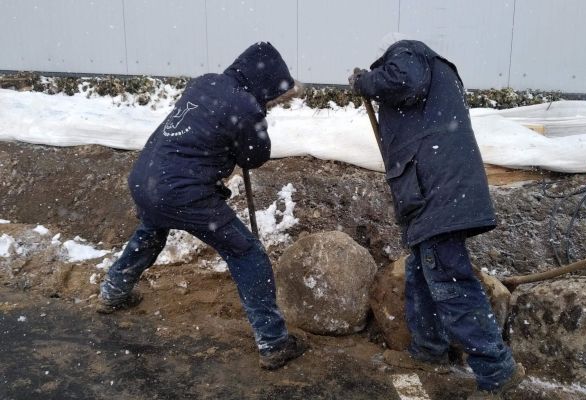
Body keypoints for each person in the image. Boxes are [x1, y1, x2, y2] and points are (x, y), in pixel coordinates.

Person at [97, 42, 306, 370]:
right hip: (182, 190)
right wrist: (252, 124)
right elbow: (255, 156)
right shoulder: (246, 105)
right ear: (265, 84)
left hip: (146, 178)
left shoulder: (205, 82)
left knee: (152, 231)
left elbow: (205, 131)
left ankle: (113, 290)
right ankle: (273, 341)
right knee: (247, 253)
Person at [348, 33, 525, 399]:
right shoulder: (438, 73)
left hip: (436, 192)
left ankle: (496, 369)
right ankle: (429, 351)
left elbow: (404, 80)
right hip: (440, 190)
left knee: (449, 281)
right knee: (421, 272)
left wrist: (365, 81)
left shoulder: (409, 54)